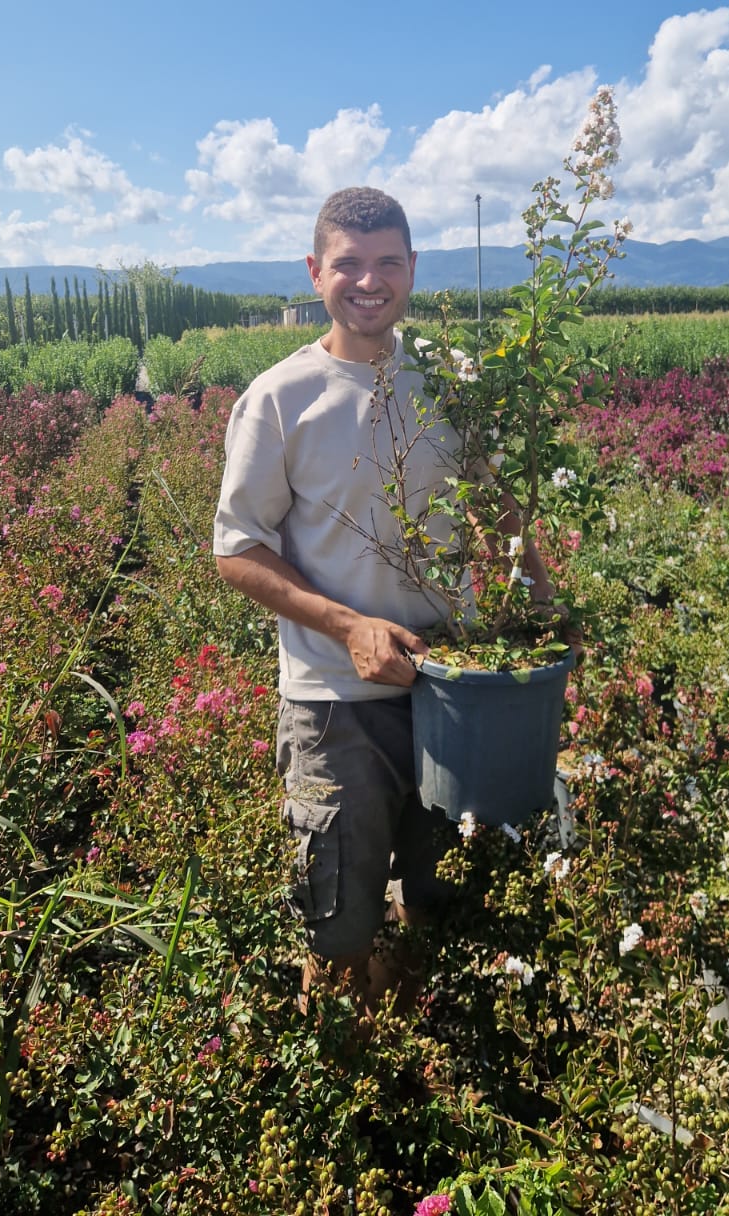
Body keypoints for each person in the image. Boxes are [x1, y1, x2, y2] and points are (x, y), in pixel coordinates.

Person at [212, 188, 461, 1019]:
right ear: (315, 272)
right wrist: (349, 626)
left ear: (413, 271)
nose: (369, 280)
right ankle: (349, 1086)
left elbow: (502, 508)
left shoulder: (451, 387)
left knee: (444, 908)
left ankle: (430, 1073)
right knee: (339, 926)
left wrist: (539, 603)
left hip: (453, 691)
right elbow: (237, 548)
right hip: (335, 707)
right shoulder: (280, 399)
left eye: (388, 261)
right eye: (348, 264)